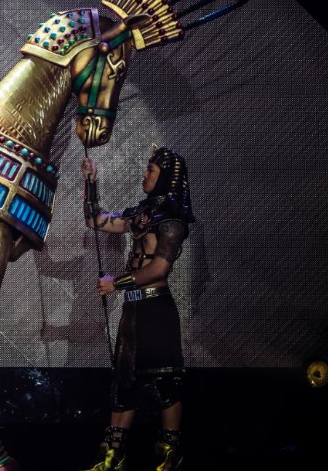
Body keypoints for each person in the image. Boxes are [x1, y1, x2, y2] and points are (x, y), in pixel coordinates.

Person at [79, 147, 195, 471]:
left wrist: (116, 284)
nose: (145, 174)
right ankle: (112, 457)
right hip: (132, 310)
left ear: (166, 177)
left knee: (164, 384)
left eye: (151, 170)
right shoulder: (142, 214)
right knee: (124, 383)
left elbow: (159, 268)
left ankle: (170, 456)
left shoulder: (173, 221)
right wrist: (91, 183)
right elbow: (95, 221)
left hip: (156, 310)